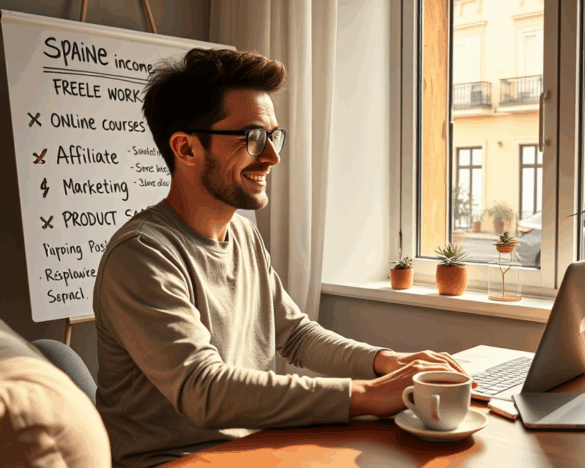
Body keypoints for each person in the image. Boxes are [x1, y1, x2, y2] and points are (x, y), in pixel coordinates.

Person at [93, 48, 472, 468]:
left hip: (252, 448)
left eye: (274, 136)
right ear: (185, 148)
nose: (272, 156)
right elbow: (203, 389)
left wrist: (384, 362)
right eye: (253, 138)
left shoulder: (243, 234)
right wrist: (363, 395)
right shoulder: (143, 255)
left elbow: (294, 336)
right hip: (171, 461)